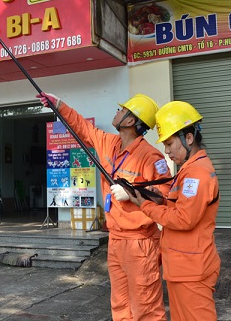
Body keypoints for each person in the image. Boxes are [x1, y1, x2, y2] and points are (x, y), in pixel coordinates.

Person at [37, 92, 171, 321]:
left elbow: (164, 196)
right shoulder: (110, 143)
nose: (116, 112)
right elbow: (82, 127)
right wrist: (58, 104)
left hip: (140, 242)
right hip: (116, 239)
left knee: (145, 307)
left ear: (130, 121)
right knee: (120, 305)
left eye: (122, 110)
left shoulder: (151, 156)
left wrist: (132, 194)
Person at [128, 101, 221, 321]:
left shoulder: (196, 174)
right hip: (183, 266)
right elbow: (180, 205)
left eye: (169, 144)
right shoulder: (188, 170)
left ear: (189, 138)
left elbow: (183, 218)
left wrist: (145, 205)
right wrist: (157, 196)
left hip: (192, 269)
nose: (166, 151)